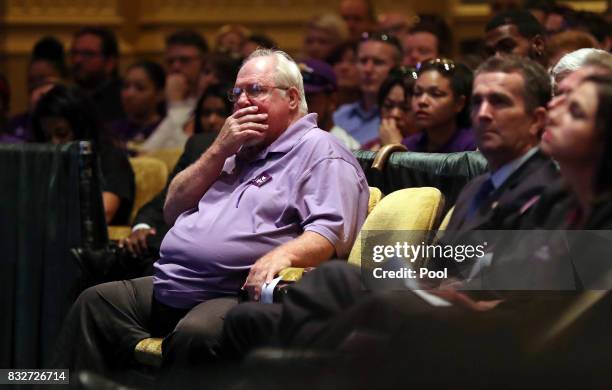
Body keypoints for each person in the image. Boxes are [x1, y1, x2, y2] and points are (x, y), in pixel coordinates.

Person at [51, 49, 369, 377]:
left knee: (196, 335)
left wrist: (280, 256)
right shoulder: (237, 149)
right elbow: (173, 208)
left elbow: (330, 233)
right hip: (172, 284)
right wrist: (219, 149)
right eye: (237, 93)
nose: (243, 100)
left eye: (256, 90)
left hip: (234, 292)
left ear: (290, 98)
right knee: (95, 302)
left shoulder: (321, 152)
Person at [222, 55, 560, 361]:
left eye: (499, 102)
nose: (483, 114)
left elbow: (538, 305)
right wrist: (414, 282)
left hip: (478, 332)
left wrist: (446, 299)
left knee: (337, 285)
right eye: (477, 102)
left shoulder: (553, 191)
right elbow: (443, 268)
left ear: (537, 119)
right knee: (254, 316)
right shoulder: (476, 188)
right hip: (436, 307)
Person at [31, 84, 134, 225]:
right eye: (47, 137)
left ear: (81, 128)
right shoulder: (45, 161)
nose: (54, 144)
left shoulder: (110, 158)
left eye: (62, 134)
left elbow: (103, 213)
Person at [139, 30, 208, 152]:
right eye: (170, 61)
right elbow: (147, 150)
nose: (176, 66)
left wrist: (176, 104)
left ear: (203, 63)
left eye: (185, 60)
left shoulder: (211, 101)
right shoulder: (157, 97)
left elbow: (185, 149)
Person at [333, 33, 402, 147]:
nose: (368, 69)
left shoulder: (399, 118)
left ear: (397, 67)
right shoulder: (339, 116)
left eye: (378, 62)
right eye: (363, 61)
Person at [402, 59, 476, 153]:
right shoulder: (409, 145)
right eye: (417, 93)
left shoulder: (472, 146)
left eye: (435, 94)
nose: (422, 101)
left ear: (459, 103)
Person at [6, 36, 67, 142]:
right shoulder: (15, 124)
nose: (35, 88)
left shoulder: (71, 123)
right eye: (31, 81)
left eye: (43, 81)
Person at [299, 59, 359, 150]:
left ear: (332, 101)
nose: (299, 107)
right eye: (293, 99)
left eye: (308, 99)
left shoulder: (346, 148)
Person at [69, 27, 125, 123]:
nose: (77, 60)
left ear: (110, 63)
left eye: (88, 54)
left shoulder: (124, 99)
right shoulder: (68, 97)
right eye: (74, 53)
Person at [109, 60, 165, 149]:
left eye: (140, 88)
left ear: (159, 94)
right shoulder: (112, 131)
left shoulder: (166, 129)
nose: (129, 94)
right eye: (126, 86)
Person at [374, 66, 418, 148]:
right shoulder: (369, 149)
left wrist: (394, 146)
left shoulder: (434, 151)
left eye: (405, 108)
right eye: (388, 106)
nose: (395, 114)